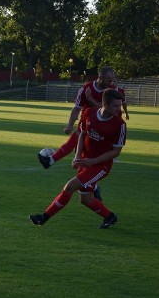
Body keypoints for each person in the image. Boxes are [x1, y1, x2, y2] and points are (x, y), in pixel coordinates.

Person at [30, 88, 126, 229]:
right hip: (85, 162)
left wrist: (92, 161)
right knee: (85, 199)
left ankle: (43, 218)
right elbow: (81, 135)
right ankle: (110, 216)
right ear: (105, 104)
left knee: (70, 187)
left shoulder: (120, 125)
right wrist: (76, 157)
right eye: (116, 106)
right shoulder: (89, 113)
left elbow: (116, 152)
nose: (119, 109)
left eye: (120, 105)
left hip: (101, 166)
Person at [37, 67, 116, 199]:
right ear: (100, 77)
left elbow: (108, 110)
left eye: (112, 80)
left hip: (103, 129)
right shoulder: (85, 89)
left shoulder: (111, 91)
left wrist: (90, 99)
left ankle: (93, 186)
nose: (111, 82)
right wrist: (69, 125)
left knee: (85, 158)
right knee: (77, 147)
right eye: (108, 80)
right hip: (86, 124)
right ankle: (51, 160)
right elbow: (76, 109)